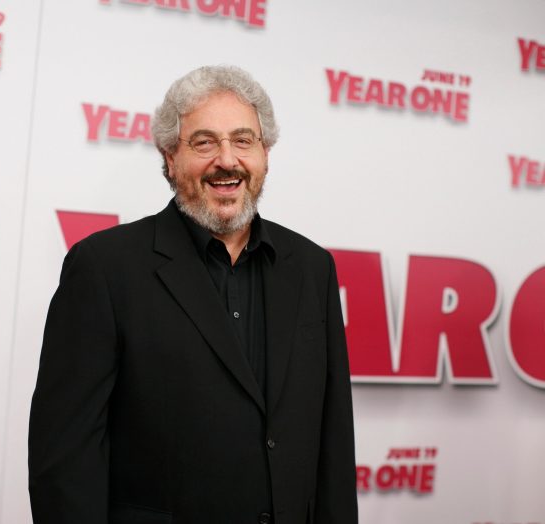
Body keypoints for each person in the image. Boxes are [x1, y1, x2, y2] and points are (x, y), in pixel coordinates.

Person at [28, 65, 357, 524]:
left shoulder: (312, 268)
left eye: (244, 140)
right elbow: (64, 460)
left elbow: (333, 443)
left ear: (265, 153)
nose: (227, 160)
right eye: (204, 142)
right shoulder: (104, 268)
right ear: (168, 157)